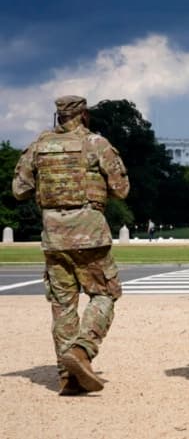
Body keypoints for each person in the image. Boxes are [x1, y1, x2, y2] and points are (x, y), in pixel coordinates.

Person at [12, 95, 130, 395]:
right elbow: (121, 189)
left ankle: (68, 377)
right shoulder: (96, 144)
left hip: (53, 234)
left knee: (63, 306)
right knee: (104, 294)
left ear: (59, 116)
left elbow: (19, 189)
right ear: (84, 114)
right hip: (89, 231)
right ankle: (82, 350)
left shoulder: (38, 146)